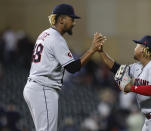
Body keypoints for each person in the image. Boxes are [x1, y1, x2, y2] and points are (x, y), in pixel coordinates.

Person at [23, 3, 105, 131]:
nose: (74, 23)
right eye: (71, 19)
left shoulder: (45, 33)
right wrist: (92, 49)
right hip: (43, 88)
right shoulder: (56, 38)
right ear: (61, 19)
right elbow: (73, 68)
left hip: (35, 87)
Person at [98, 35, 151, 131]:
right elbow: (116, 68)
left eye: (137, 45)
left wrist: (131, 88)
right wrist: (101, 52)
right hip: (150, 118)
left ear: (144, 49)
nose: (135, 48)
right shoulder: (137, 67)